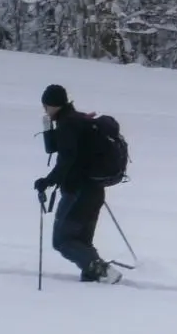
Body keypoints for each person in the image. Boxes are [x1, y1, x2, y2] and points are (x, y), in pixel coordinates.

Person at [33, 84, 121, 284]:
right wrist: (49, 131)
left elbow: (67, 159)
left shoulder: (68, 124)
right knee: (81, 241)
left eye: (46, 106)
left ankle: (101, 269)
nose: (45, 110)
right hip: (94, 191)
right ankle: (92, 277)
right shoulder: (77, 119)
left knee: (63, 241)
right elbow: (62, 150)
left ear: (53, 105)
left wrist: (47, 181)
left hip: (78, 192)